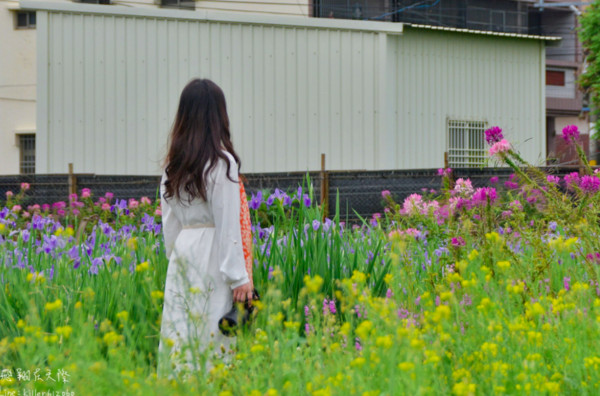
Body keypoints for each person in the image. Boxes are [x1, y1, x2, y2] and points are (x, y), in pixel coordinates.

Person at [156, 78, 254, 379]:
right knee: (213, 333)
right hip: (214, 253)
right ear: (218, 116)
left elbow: (169, 225)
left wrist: (178, 259)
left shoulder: (173, 165)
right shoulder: (222, 163)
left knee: (181, 330)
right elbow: (227, 223)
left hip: (183, 254)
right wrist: (239, 278)